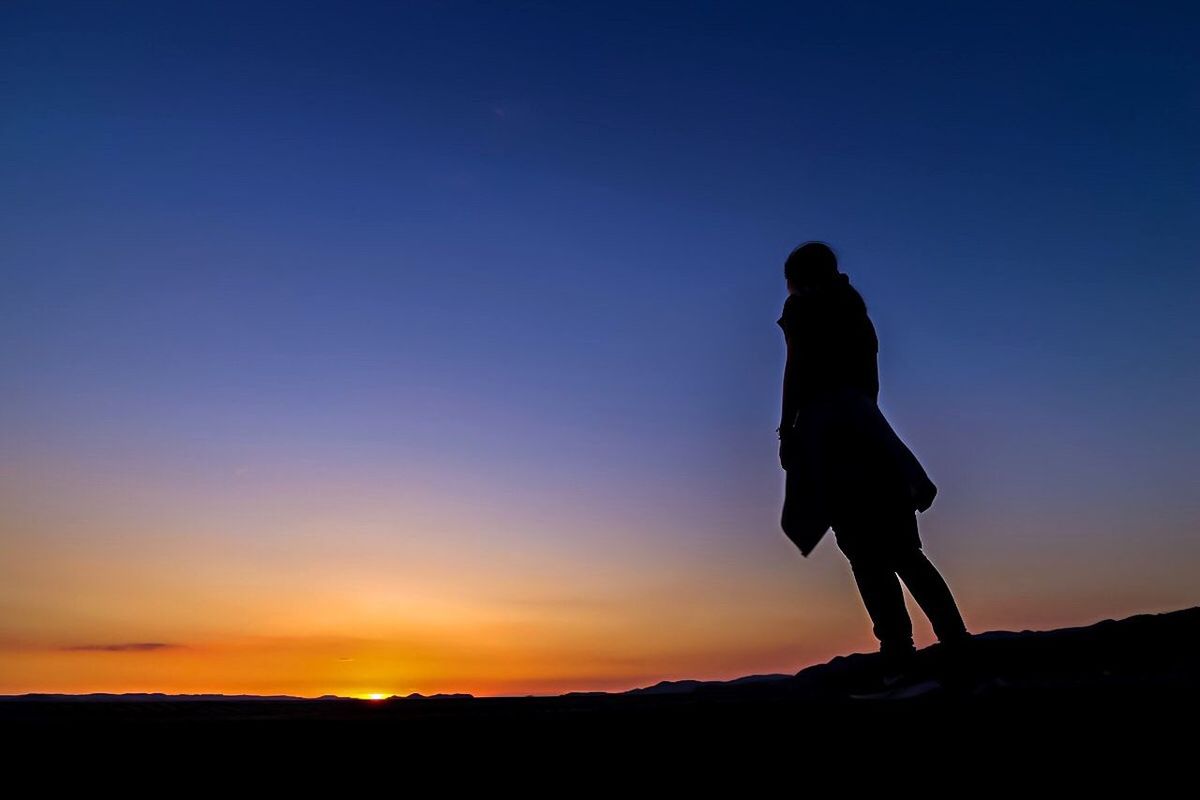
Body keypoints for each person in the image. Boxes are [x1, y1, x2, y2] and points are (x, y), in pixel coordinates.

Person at [776, 241, 971, 682]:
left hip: (846, 449)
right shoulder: (853, 312)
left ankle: (911, 658)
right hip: (865, 443)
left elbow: (797, 371)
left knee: (876, 557)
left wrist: (787, 431)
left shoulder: (809, 313)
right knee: (896, 554)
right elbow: (863, 393)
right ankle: (948, 654)